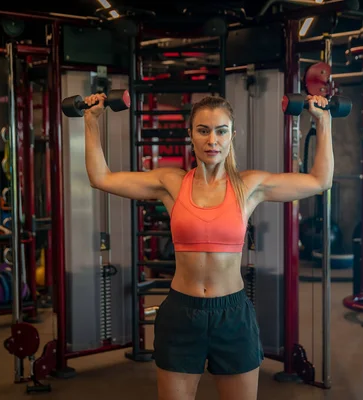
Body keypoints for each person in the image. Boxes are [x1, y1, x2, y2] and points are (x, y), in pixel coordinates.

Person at [83, 92, 333, 400]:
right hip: (181, 312)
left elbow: (320, 180)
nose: (212, 139)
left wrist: (324, 121)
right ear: (190, 135)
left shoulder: (249, 186)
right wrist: (91, 121)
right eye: (203, 130)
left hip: (232, 314)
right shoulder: (171, 183)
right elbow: (100, 178)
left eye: (221, 130)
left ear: (232, 135)